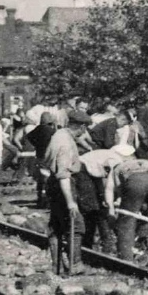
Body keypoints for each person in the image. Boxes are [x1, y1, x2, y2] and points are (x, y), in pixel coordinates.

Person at [43, 110, 87, 273]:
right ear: (81, 127)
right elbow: (63, 175)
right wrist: (70, 202)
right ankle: (75, 265)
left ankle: (56, 266)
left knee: (56, 224)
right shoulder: (66, 143)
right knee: (76, 225)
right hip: (63, 185)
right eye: (85, 129)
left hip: (53, 183)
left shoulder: (59, 134)